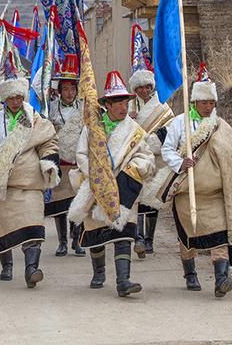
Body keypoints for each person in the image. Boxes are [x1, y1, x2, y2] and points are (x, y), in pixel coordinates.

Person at [160, 64, 232, 298]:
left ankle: (221, 279)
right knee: (188, 236)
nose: (208, 107)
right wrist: (181, 163)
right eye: (203, 102)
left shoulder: (221, 126)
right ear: (194, 102)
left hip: (215, 194)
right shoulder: (180, 124)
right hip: (188, 192)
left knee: (219, 234)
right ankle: (190, 274)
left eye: (211, 103)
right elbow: (167, 149)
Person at [0, 52, 60, 288]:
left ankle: (32, 268)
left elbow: (48, 142)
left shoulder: (35, 119)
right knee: (2, 226)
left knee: (33, 224)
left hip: (30, 183)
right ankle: (7, 264)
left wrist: (48, 163)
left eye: (19, 96)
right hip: (3, 185)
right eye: (11, 97)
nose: (15, 101)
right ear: (4, 98)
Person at [68, 71, 155, 297]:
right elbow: (81, 154)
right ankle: (98, 272)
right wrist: (97, 173)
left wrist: (132, 170)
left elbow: (146, 156)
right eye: (118, 102)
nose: (123, 107)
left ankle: (123, 280)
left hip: (124, 188)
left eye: (125, 101)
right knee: (96, 232)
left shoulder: (135, 131)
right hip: (96, 185)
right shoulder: (92, 128)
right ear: (107, 104)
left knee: (124, 232)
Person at [128, 59, 174, 257]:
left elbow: (170, 128)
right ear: (136, 90)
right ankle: (138, 236)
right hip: (135, 158)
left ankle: (149, 239)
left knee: (152, 198)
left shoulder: (163, 107)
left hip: (155, 158)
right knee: (136, 197)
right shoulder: (129, 108)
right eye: (140, 88)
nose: (144, 91)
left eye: (148, 87)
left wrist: (151, 141)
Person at [46, 54, 86, 257]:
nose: (70, 93)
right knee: (59, 204)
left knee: (78, 203)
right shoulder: (51, 108)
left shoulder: (85, 108)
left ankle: (76, 240)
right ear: (59, 91)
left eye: (73, 89)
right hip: (60, 164)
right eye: (66, 89)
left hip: (79, 164)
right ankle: (62, 241)